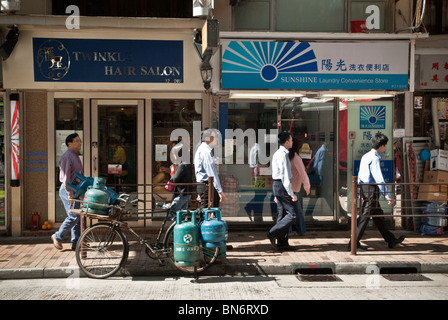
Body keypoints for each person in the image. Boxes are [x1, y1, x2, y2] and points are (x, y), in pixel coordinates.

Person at [351, 133, 405, 251]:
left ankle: (391, 239)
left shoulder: (366, 156)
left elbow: (360, 175)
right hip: (371, 189)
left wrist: (360, 192)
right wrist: (388, 195)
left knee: (378, 216)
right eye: (385, 146)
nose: (385, 148)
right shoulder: (374, 158)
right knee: (365, 217)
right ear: (381, 145)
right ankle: (353, 244)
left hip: (366, 188)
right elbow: (379, 178)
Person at [51, 133, 83, 251]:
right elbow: (65, 177)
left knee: (78, 216)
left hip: (75, 190)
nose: (80, 143)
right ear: (70, 144)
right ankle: (58, 236)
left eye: (80, 141)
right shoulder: (67, 156)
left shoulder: (75, 155)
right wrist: (69, 192)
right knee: (73, 216)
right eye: (77, 141)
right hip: (68, 190)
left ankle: (76, 242)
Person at [267, 132, 298, 250]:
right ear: (286, 142)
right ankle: (272, 233)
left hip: (278, 185)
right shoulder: (283, 154)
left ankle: (282, 243)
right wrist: (291, 193)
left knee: (283, 214)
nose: (292, 142)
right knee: (292, 214)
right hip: (282, 186)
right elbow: (285, 175)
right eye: (291, 140)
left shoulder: (277, 153)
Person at [194, 128, 226, 208]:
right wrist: (220, 191)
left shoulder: (203, 149)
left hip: (204, 185)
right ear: (207, 139)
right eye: (214, 137)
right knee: (207, 211)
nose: (216, 139)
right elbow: (211, 172)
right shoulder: (206, 151)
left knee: (206, 210)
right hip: (207, 185)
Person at [289, 137, 310, 234]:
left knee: (288, 212)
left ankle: (288, 231)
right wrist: (307, 186)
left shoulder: (288, 157)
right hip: (294, 189)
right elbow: (303, 173)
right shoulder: (296, 158)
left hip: (287, 188)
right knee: (298, 211)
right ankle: (301, 230)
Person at [168, 141, 193, 215]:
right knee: (181, 215)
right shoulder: (187, 164)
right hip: (186, 194)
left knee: (172, 212)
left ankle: (176, 226)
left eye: (174, 154)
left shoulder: (182, 166)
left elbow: (174, 179)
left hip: (181, 194)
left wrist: (172, 171)